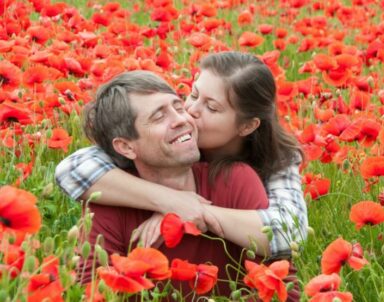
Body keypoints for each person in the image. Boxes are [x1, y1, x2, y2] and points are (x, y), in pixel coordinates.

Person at [55, 52, 307, 258]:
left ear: (247, 126)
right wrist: (169, 200)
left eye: (211, 107)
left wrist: (193, 212)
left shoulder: (276, 160)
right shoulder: (161, 142)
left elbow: (290, 233)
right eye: (193, 95)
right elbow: (73, 170)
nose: (189, 111)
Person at [78, 70, 274, 298]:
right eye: (159, 117)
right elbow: (90, 291)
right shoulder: (107, 204)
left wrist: (192, 211)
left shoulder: (234, 180)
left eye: (179, 107)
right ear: (126, 147)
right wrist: (172, 203)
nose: (182, 120)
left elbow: (278, 279)